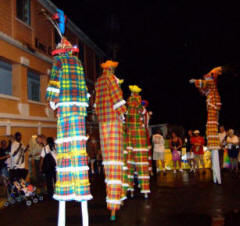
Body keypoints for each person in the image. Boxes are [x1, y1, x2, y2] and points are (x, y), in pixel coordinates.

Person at [95, 60, 127, 220]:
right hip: (113, 122)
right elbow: (117, 97)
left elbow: (96, 105)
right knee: (115, 162)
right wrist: (123, 113)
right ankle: (114, 206)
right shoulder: (111, 79)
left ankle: (115, 200)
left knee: (109, 163)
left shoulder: (98, 81)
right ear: (112, 69)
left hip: (102, 124)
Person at [126, 85, 150, 199]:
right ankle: (143, 189)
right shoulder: (140, 108)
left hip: (131, 134)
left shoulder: (130, 108)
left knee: (129, 161)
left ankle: (131, 189)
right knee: (139, 161)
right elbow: (145, 122)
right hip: (138, 134)